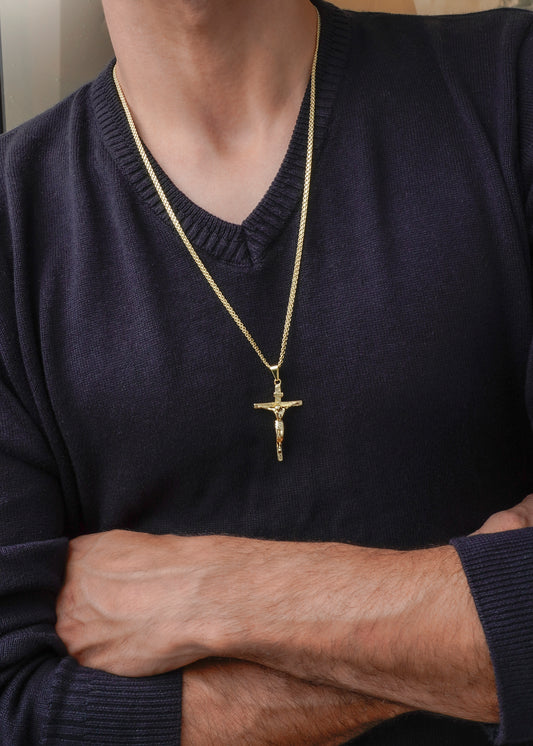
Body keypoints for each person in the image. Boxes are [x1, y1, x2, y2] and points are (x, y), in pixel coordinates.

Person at [1, 0, 533, 743]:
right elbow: (18, 712)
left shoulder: (512, 85)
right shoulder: (14, 223)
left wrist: (214, 591)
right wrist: (467, 632)